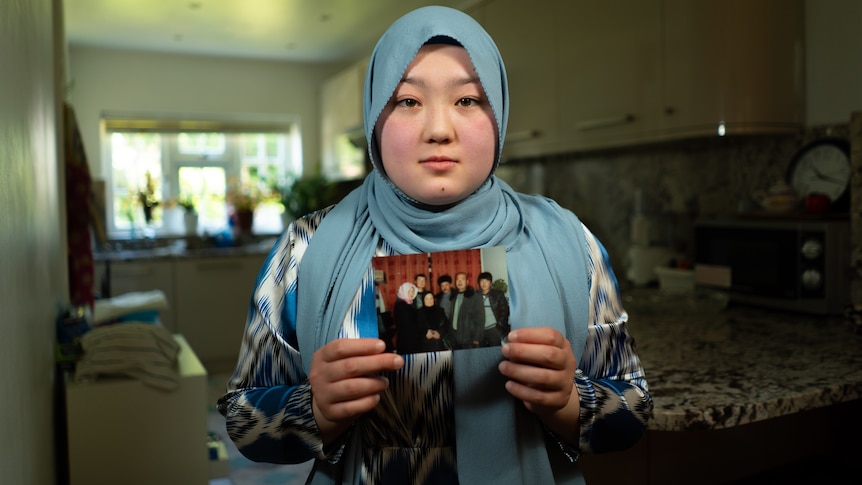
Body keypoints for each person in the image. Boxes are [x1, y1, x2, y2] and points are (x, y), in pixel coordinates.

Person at [218, 6, 652, 484]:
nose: (439, 129)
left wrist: (569, 403)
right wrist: (314, 409)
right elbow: (242, 419)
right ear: (375, 119)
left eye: (467, 100)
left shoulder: (570, 239)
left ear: (500, 112)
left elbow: (633, 408)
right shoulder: (305, 247)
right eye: (407, 101)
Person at [447, 271, 484, 349]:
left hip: (469, 338)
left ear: (467, 282)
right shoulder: (453, 297)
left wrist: (476, 338)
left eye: (462, 279)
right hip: (455, 337)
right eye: (457, 279)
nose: (459, 282)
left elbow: (480, 320)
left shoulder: (475, 297)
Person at [477, 271, 510, 345]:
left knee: (495, 352)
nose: (484, 283)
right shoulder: (475, 296)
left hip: (494, 329)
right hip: (480, 330)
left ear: (490, 283)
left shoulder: (498, 294)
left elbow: (505, 311)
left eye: (487, 281)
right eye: (482, 281)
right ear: (479, 283)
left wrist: (499, 326)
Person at [393, 282, 422, 354]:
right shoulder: (401, 305)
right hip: (407, 341)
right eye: (409, 291)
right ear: (404, 292)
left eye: (413, 291)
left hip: (410, 339)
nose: (411, 294)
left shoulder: (408, 303)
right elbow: (409, 324)